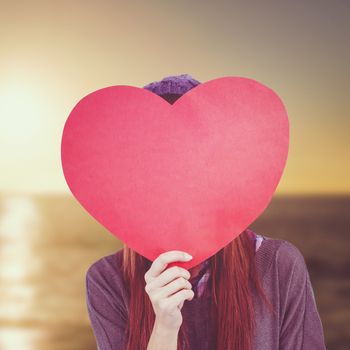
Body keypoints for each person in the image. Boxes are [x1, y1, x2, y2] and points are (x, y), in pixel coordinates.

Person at [85, 74, 327, 350]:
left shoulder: (279, 265)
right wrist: (164, 327)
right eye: (157, 164)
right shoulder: (106, 280)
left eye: (192, 162)